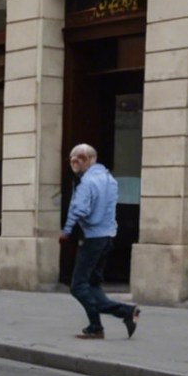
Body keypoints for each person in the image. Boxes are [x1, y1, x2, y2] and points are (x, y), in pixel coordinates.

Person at [60, 143, 140, 339]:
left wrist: (67, 230)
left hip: (92, 239)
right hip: (107, 239)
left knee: (78, 287)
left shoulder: (87, 182)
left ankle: (120, 314)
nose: (73, 164)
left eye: (76, 160)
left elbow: (80, 209)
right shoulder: (109, 179)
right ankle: (101, 325)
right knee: (93, 285)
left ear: (87, 159)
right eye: (71, 161)